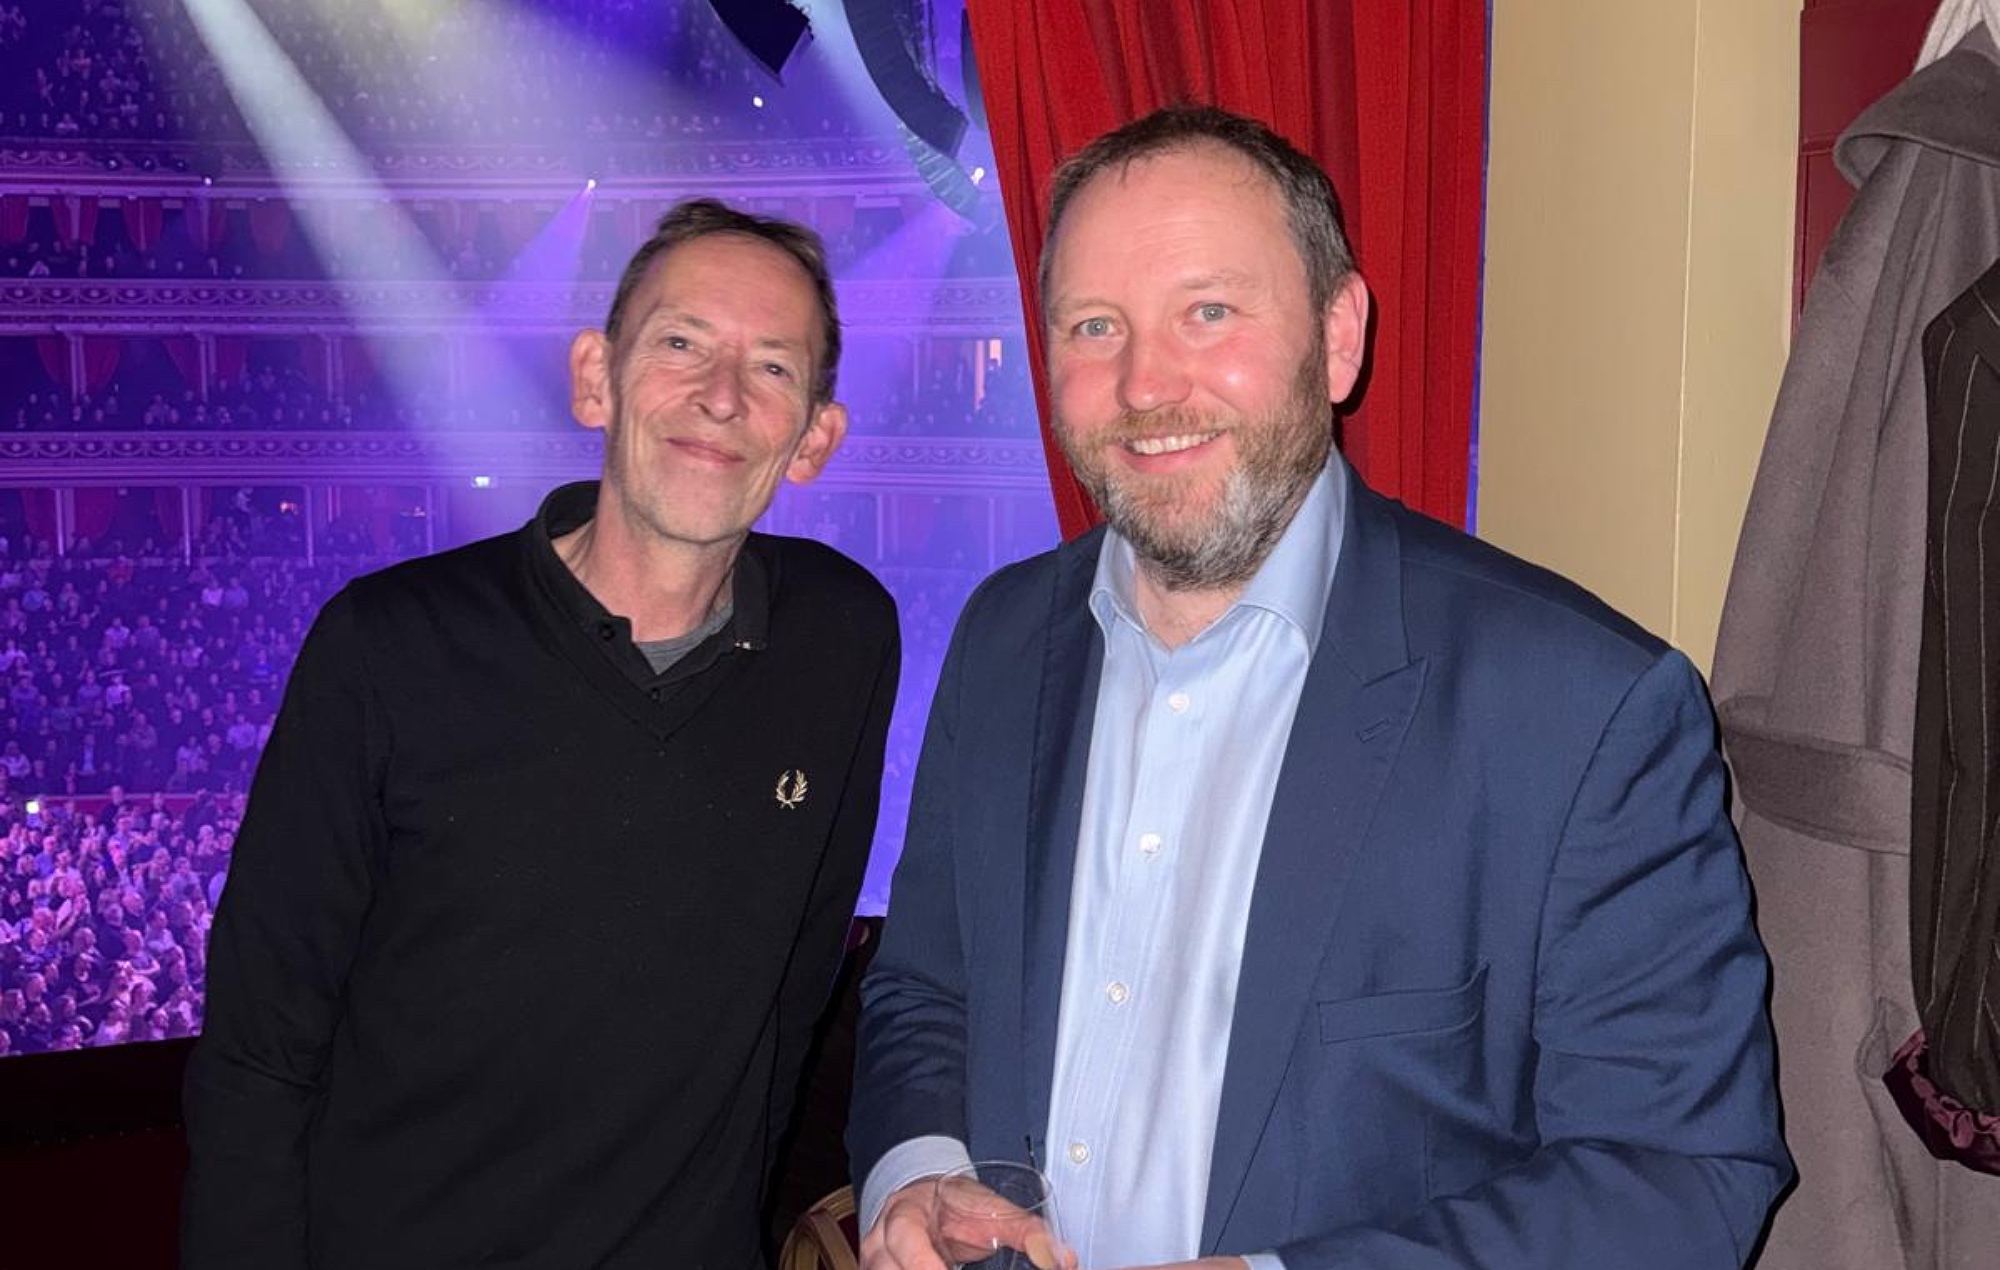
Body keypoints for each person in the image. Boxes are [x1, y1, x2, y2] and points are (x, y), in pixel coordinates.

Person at [849, 106, 1788, 1270]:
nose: (1145, 383)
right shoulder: (998, 640)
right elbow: (926, 990)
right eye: (1094, 325)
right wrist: (918, 1173)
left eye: (1208, 311)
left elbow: (1680, 1176)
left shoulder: (1583, 709)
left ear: (1337, 336)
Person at [183, 198, 901, 1269]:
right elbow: (258, 1050)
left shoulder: (842, 638)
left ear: (814, 438)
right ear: (594, 378)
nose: (719, 397)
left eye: (773, 369)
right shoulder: (387, 646)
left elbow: (795, 994)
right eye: (680, 343)